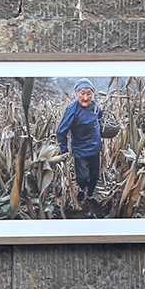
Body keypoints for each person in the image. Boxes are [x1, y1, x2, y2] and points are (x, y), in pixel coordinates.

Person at [55, 79, 106, 207]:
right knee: (83, 177)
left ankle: (89, 196)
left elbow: (100, 116)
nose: (85, 97)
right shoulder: (72, 109)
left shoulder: (95, 105)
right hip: (80, 149)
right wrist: (64, 150)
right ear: (76, 93)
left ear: (93, 94)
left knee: (94, 176)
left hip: (95, 147)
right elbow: (61, 131)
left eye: (89, 93)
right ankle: (82, 189)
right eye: (82, 93)